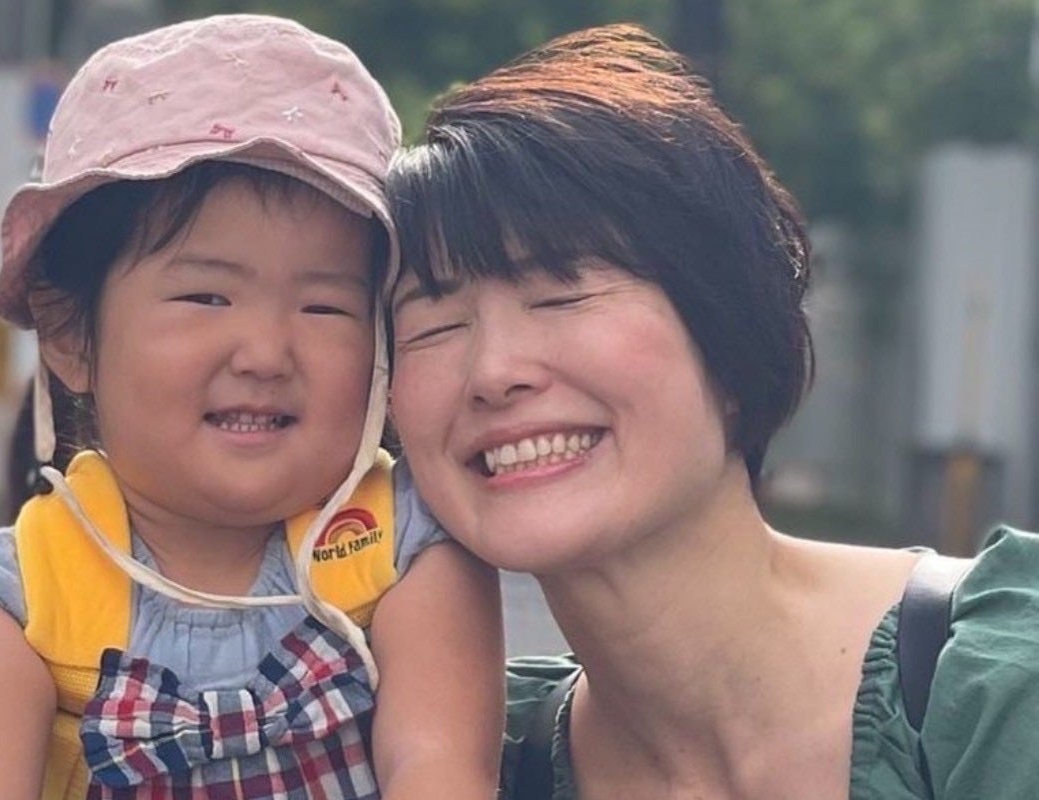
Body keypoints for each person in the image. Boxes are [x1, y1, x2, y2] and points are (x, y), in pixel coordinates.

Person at [386, 23, 1039, 800]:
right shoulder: (448, 759)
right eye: (432, 324)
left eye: (561, 293)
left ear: (728, 335)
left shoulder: (999, 676)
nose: (493, 373)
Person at [0, 15, 502, 800]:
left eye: (324, 306)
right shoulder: (21, 600)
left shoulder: (406, 547)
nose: (264, 352)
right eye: (206, 296)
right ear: (69, 335)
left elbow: (439, 766)